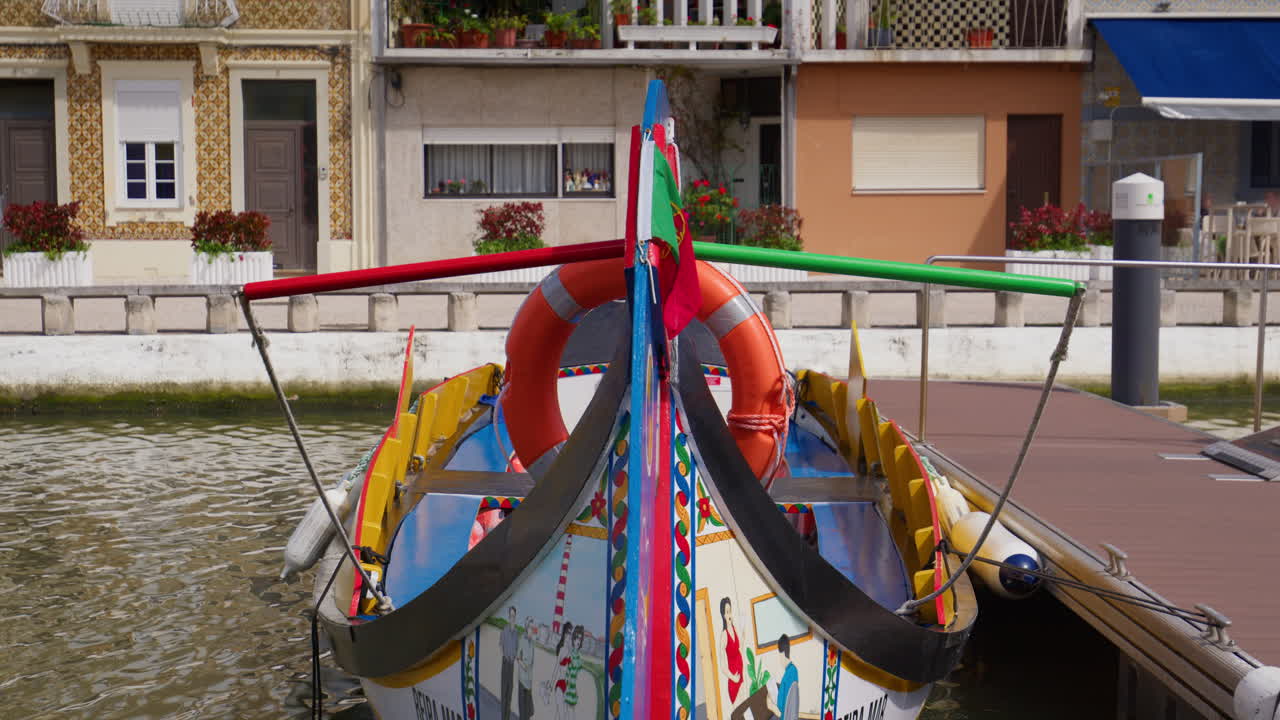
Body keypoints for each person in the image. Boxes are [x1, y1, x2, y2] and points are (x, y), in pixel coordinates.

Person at [719, 598, 744, 703]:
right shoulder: (724, 635)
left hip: (741, 676)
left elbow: (739, 649)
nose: (729, 615)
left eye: (730, 611)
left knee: (747, 710)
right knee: (739, 714)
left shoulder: (735, 629)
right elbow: (722, 666)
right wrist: (734, 678)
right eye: (727, 612)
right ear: (723, 615)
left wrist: (743, 631)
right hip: (734, 680)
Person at [500, 606, 519, 720]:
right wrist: (505, 656)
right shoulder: (504, 630)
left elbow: (516, 648)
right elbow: (501, 645)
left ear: (515, 617)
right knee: (504, 692)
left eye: (514, 616)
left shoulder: (516, 632)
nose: (512, 618)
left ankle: (506, 718)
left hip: (511, 664)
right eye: (510, 615)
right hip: (505, 663)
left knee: (510, 692)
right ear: (508, 617)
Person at [563, 625, 585, 720]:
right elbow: (566, 673)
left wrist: (576, 689)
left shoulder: (579, 658)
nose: (578, 641)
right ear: (573, 639)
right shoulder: (570, 655)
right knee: (567, 713)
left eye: (580, 639)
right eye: (576, 638)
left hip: (573, 690)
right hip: (568, 688)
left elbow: (579, 677)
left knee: (571, 713)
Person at [775, 634, 799, 720]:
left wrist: (770, 705)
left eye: (779, 656)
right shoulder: (794, 670)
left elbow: (780, 709)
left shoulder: (785, 677)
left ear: (782, 654)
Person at [517, 616, 536, 720]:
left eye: (533, 629)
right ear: (526, 627)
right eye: (531, 628)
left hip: (529, 681)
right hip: (522, 680)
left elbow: (532, 662)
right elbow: (517, 656)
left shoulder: (532, 643)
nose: (532, 631)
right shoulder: (522, 640)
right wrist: (523, 665)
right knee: (523, 711)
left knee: (529, 711)